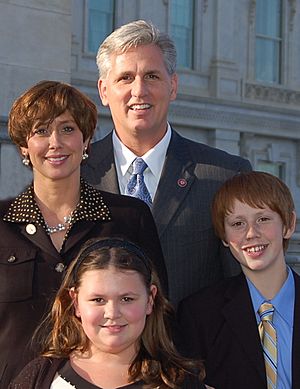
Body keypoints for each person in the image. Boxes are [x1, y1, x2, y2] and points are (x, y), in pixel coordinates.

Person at [0, 80, 168, 388]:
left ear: (86, 139)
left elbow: (159, 314)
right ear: (24, 146)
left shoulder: (128, 217)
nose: (55, 143)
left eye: (67, 129)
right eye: (40, 131)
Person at [81, 19, 252, 306]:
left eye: (152, 76)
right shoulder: (76, 175)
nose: (139, 91)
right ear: (103, 91)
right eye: (125, 78)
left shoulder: (226, 176)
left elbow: (239, 293)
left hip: (189, 349)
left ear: (172, 86)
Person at [9, 237, 206, 389]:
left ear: (150, 299)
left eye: (127, 299)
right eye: (98, 300)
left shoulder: (178, 382)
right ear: (75, 302)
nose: (112, 313)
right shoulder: (40, 377)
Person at [177, 171, 300, 389]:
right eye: (237, 223)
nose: (251, 233)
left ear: (289, 224)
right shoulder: (199, 315)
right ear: (223, 236)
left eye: (263, 219)